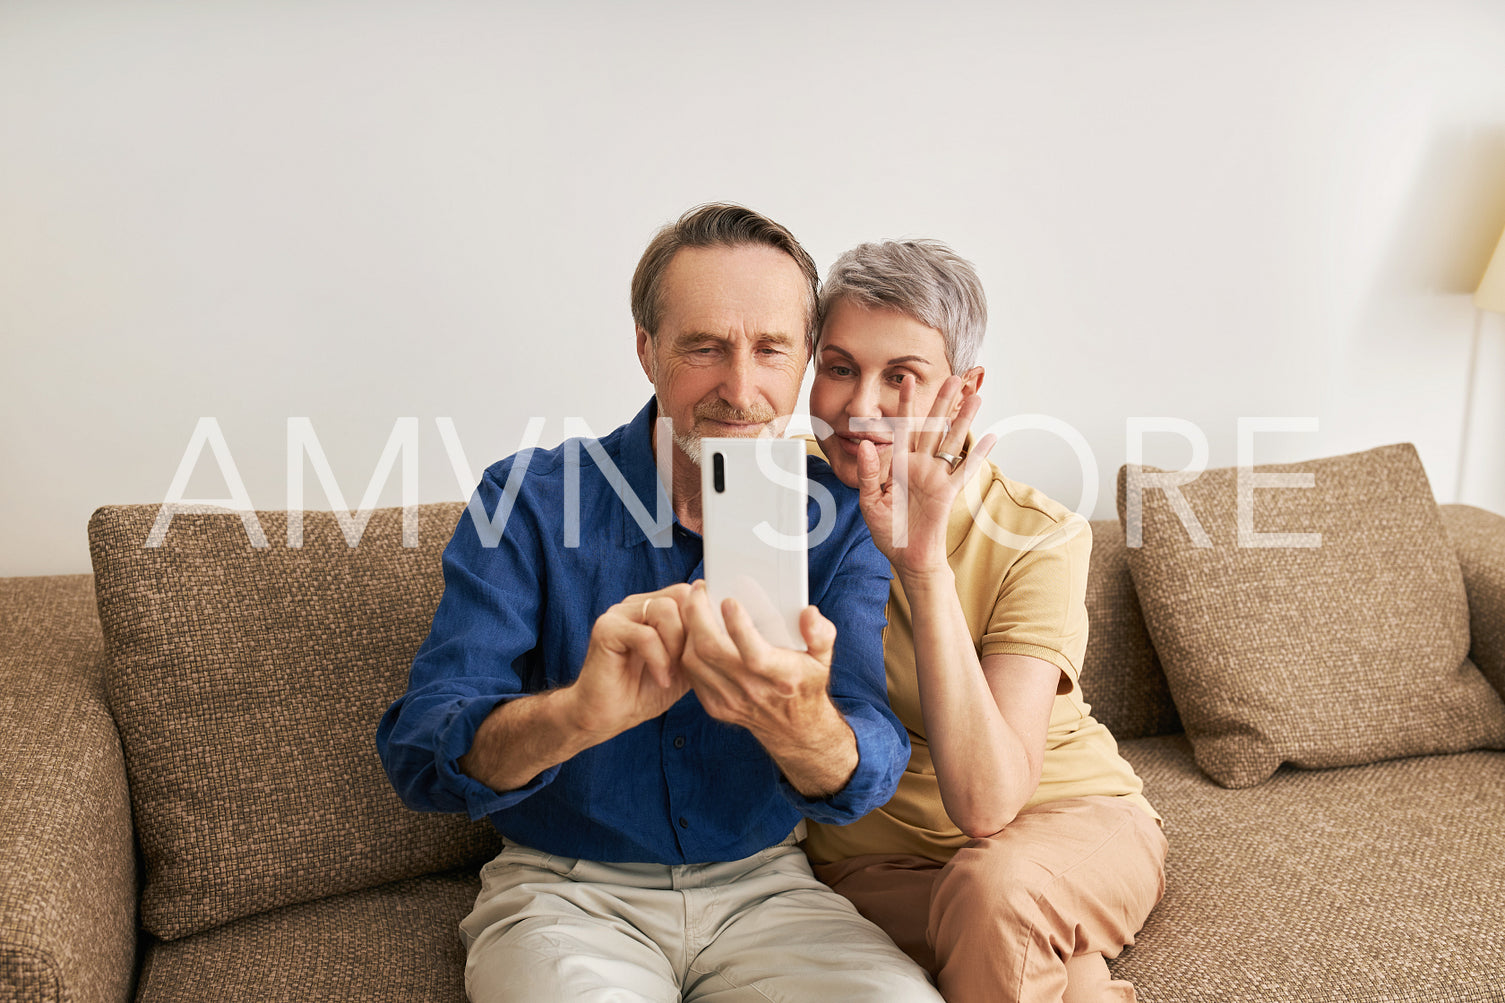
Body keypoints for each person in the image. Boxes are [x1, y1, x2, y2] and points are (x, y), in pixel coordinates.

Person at [376, 204, 944, 1002]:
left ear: (804, 358)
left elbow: (865, 761)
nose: (741, 390)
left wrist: (800, 722)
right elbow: (419, 749)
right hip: (564, 891)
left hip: (767, 888)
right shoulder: (530, 498)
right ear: (646, 349)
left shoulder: (839, 518)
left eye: (771, 349)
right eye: (704, 348)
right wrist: (578, 713)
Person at [802, 239, 1168, 1003]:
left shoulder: (1039, 534)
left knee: (998, 889)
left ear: (961, 392)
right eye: (838, 367)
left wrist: (921, 565)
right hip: (873, 866)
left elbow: (989, 804)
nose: (858, 406)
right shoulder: (780, 499)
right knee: (1018, 936)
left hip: (1061, 821)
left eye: (899, 375)